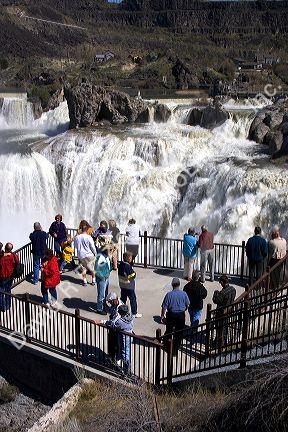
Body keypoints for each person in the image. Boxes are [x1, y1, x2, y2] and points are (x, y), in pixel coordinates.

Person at [96, 304, 134, 374]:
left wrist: (102, 321)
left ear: (121, 312)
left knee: (124, 353)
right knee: (126, 352)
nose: (118, 312)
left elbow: (112, 325)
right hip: (130, 336)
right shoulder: (130, 317)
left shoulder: (120, 322)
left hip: (124, 338)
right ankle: (124, 367)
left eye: (119, 311)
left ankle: (127, 371)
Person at [161, 277, 190, 353]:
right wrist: (184, 310)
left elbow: (164, 307)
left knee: (169, 331)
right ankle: (175, 350)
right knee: (179, 333)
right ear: (179, 285)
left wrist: (162, 316)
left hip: (171, 315)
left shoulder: (169, 295)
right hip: (181, 315)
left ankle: (168, 347)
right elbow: (187, 304)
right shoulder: (184, 293)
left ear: (172, 285)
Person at [212, 274, 236, 349]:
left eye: (220, 282)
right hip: (229, 310)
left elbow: (215, 300)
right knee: (225, 326)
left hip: (221, 312)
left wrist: (215, 293)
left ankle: (220, 343)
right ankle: (223, 341)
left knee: (220, 328)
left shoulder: (222, 293)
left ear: (222, 282)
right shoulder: (233, 289)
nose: (220, 284)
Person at [118, 251, 142, 318]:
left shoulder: (121, 264)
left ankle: (121, 311)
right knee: (133, 299)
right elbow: (132, 275)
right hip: (129, 286)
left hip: (122, 285)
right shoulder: (127, 266)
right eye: (131, 257)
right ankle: (134, 313)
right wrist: (134, 274)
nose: (132, 259)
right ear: (128, 258)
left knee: (123, 299)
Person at [103, 292, 124, 360]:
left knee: (116, 344)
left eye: (110, 302)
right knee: (111, 342)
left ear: (115, 300)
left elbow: (113, 322)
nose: (110, 304)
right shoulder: (115, 304)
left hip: (118, 329)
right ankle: (111, 355)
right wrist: (105, 306)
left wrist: (102, 322)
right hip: (113, 328)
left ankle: (116, 359)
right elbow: (111, 311)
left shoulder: (119, 308)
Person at [0, 243, 19, 311]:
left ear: (5, 248)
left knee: (1, 292)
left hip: (2, 277)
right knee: (8, 291)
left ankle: (2, 307)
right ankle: (8, 305)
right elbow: (17, 262)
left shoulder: (2, 258)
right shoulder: (14, 256)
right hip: (10, 276)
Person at [95, 244, 112, 315]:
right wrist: (103, 277)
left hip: (106, 277)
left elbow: (108, 265)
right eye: (109, 250)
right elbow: (97, 270)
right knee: (101, 294)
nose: (110, 251)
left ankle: (103, 304)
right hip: (102, 278)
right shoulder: (100, 257)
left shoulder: (106, 256)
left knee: (105, 293)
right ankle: (99, 308)